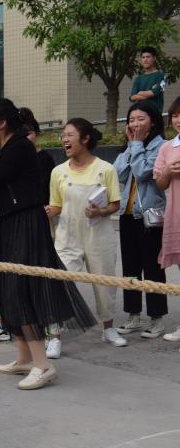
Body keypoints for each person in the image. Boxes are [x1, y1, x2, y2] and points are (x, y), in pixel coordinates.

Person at [0, 98, 95, 390]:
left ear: (1, 122)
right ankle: (24, 357)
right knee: (9, 290)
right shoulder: (1, 148)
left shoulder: (19, 147)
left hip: (25, 224)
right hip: (7, 223)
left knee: (22, 291)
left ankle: (43, 365)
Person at [46, 118, 125, 354]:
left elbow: (115, 204)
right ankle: (54, 335)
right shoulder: (58, 172)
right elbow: (56, 205)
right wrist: (45, 212)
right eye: (63, 135)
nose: (64, 139)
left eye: (69, 135)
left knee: (105, 283)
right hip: (67, 235)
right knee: (58, 282)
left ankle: (108, 328)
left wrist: (101, 211)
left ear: (86, 138)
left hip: (98, 235)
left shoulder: (106, 169)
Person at [114, 102, 168, 339]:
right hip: (127, 214)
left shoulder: (161, 146)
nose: (134, 124)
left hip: (150, 217)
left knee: (153, 268)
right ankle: (133, 315)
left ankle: (157, 318)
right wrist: (131, 145)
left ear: (152, 122)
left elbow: (144, 172)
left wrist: (136, 145)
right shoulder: (131, 145)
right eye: (131, 120)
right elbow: (119, 173)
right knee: (130, 268)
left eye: (140, 119)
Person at [153, 96, 180, 345]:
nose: (178, 120)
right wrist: (169, 172)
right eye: (175, 115)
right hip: (176, 214)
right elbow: (160, 184)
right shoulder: (167, 148)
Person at [129, 47, 167, 115]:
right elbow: (132, 97)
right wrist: (150, 94)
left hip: (155, 114)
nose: (145, 60)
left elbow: (155, 92)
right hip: (141, 114)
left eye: (148, 57)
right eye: (143, 57)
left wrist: (140, 93)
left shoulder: (162, 76)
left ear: (154, 58)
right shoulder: (138, 79)